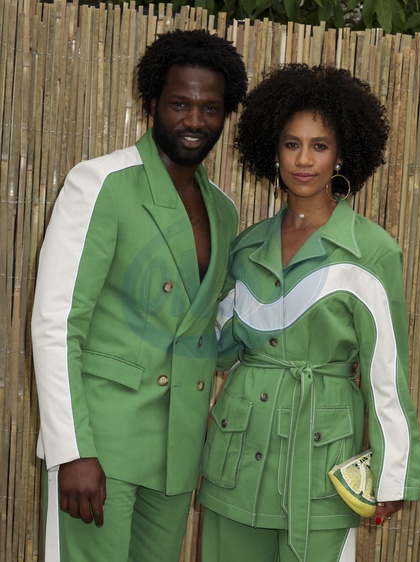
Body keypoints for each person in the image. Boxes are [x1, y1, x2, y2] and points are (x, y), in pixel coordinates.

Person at [31, 29, 247, 562]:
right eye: (179, 104)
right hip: (101, 445)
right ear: (152, 102)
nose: (194, 120)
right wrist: (71, 450)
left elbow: (211, 327)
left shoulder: (224, 211)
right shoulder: (99, 183)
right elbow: (57, 323)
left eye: (210, 108)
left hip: (177, 453)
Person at [198, 64, 420, 562]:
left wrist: (392, 473)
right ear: (273, 151)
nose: (304, 160)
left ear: (341, 154)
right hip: (234, 461)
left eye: (319, 145)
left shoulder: (372, 252)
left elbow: (385, 371)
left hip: (321, 468)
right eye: (292, 144)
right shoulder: (247, 248)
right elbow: (216, 349)